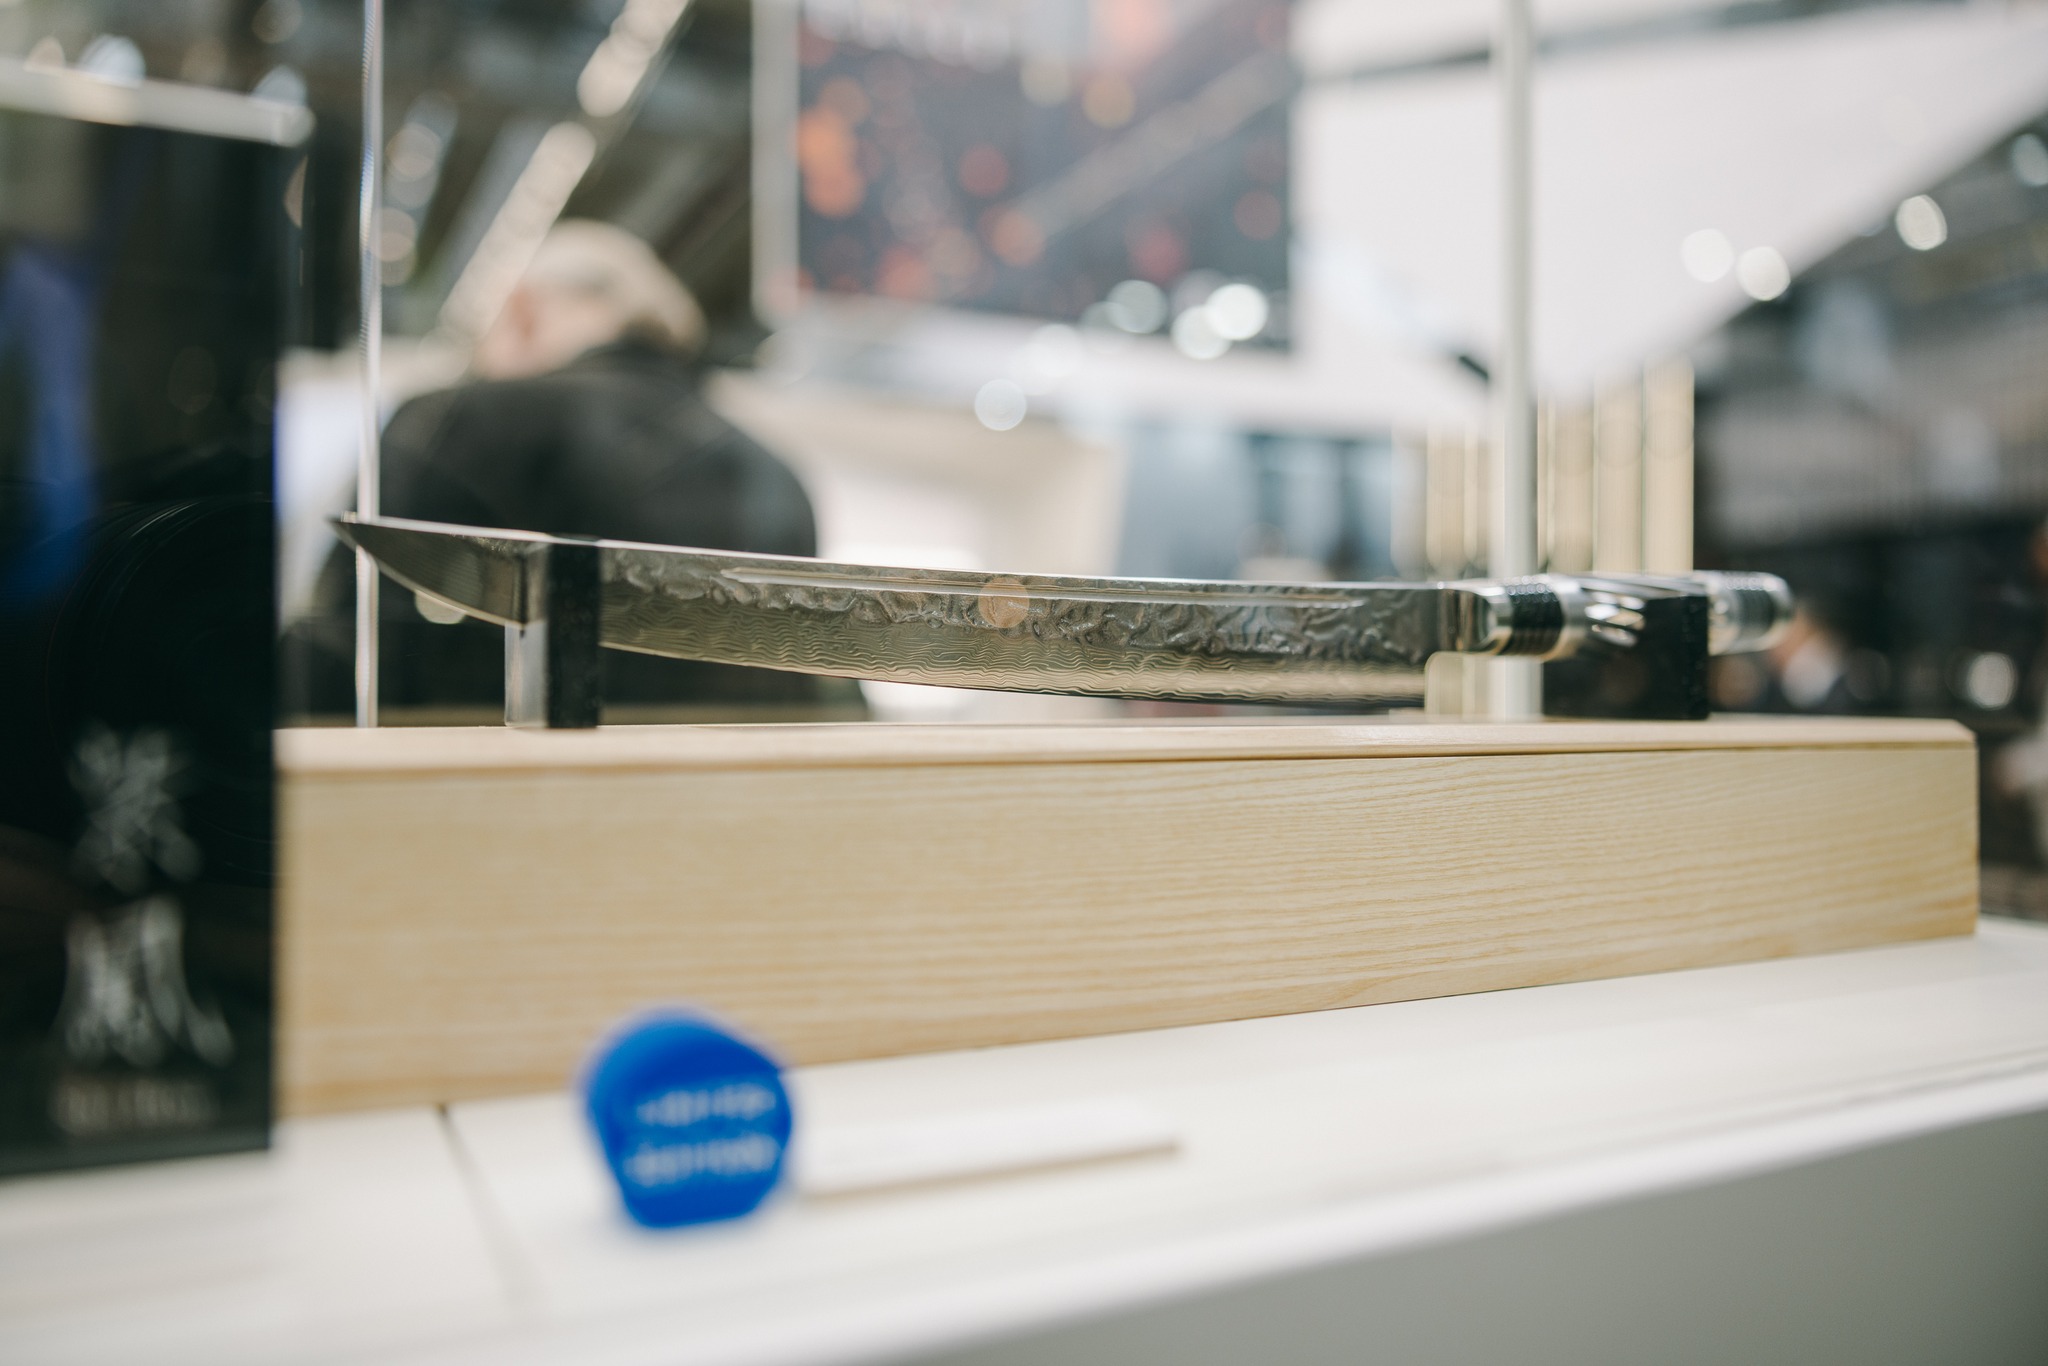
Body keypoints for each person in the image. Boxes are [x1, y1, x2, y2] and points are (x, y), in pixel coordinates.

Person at [293, 221, 829, 717]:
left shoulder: (465, 417)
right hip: (725, 785)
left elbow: (343, 645)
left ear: (522, 312)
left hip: (496, 779)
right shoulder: (778, 473)